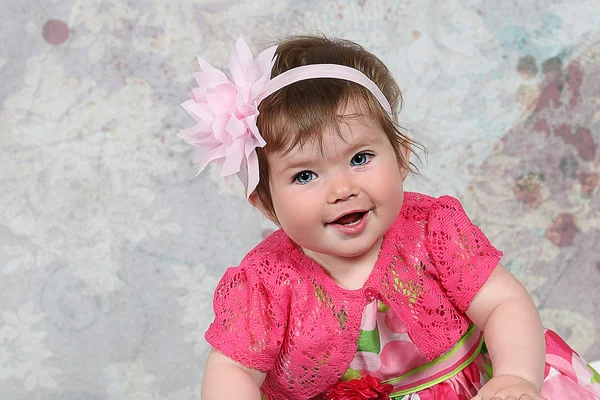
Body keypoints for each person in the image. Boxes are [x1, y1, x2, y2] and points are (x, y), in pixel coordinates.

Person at [179, 35, 600, 400]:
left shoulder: (430, 231)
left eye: (360, 158)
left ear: (400, 158)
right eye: (305, 175)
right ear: (266, 202)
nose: (342, 189)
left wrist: (513, 376)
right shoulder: (267, 284)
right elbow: (232, 369)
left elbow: (503, 304)